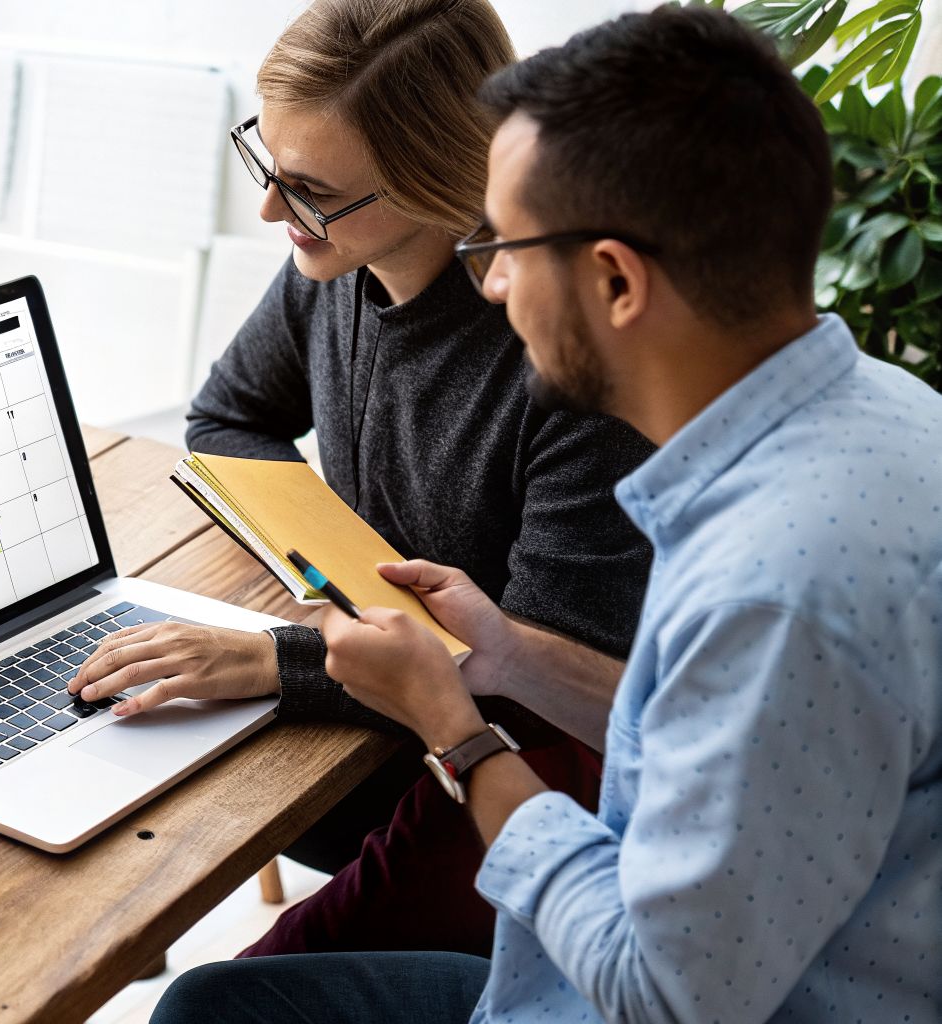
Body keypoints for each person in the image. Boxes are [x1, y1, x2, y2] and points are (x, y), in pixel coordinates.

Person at [152, 5, 942, 1022]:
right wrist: (507, 659)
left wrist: (457, 732)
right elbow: (711, 743)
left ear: (613, 278)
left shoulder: (773, 582)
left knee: (206, 1011)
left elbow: (656, 994)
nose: (486, 285)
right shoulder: (886, 420)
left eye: (505, 248)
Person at [69, 0, 652, 958]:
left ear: (438, 177)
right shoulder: (334, 260)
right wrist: (330, 581)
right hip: (377, 710)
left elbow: (541, 668)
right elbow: (228, 419)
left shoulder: (565, 354)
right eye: (266, 158)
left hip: (517, 769)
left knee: (204, 977)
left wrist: (281, 657)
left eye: (307, 186)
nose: (269, 210)